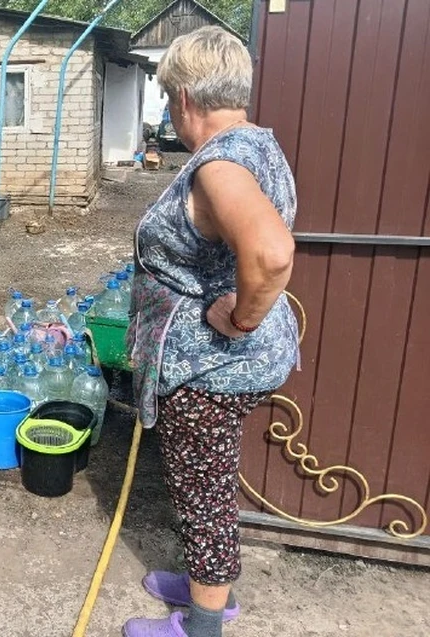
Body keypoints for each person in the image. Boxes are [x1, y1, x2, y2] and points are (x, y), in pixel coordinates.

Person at [124, 26, 300, 637]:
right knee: (210, 483)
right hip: (238, 362)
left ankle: (203, 624)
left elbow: (272, 252)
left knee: (203, 496)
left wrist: (240, 315)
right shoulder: (258, 144)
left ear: (185, 98)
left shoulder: (220, 163)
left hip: (211, 366)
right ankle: (209, 587)